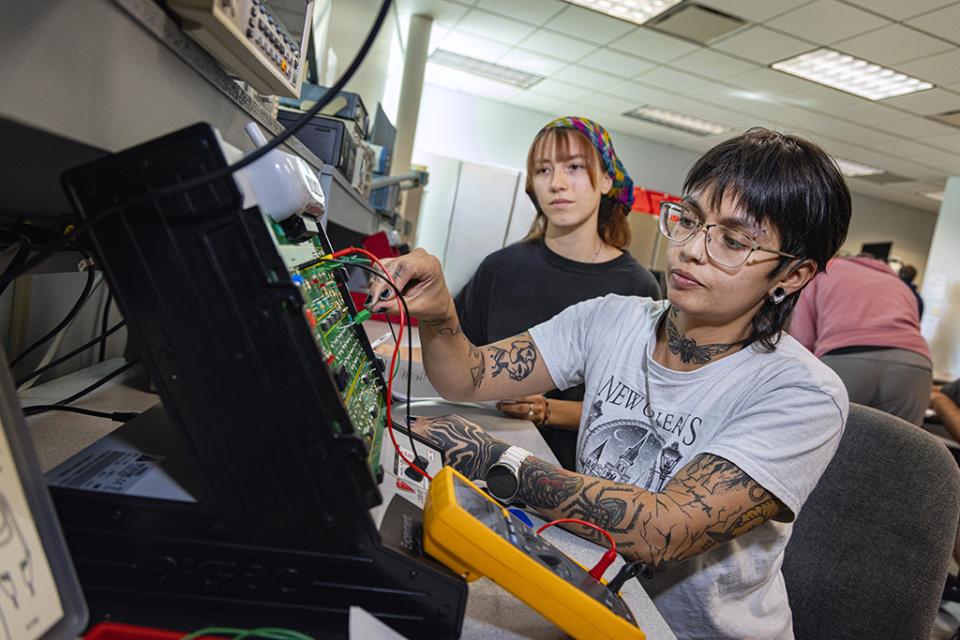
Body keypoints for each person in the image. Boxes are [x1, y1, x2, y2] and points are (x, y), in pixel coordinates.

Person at [368, 128, 851, 638]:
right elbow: (467, 377)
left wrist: (493, 458)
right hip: (594, 593)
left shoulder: (803, 392)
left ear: (792, 275)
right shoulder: (611, 319)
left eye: (732, 240)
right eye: (688, 220)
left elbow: (662, 530)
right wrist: (441, 313)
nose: (691, 249)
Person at [454, 116, 660, 470]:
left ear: (607, 180)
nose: (557, 183)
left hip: (566, 477)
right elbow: (457, 358)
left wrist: (546, 409)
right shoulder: (499, 268)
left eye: (575, 167)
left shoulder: (637, 290)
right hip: (478, 454)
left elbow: (639, 416)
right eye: (543, 170)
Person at [790, 255, 932, 425]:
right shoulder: (900, 285)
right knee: (902, 446)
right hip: (914, 365)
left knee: (827, 440)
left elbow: (802, 339)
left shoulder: (824, 271)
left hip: (847, 357)